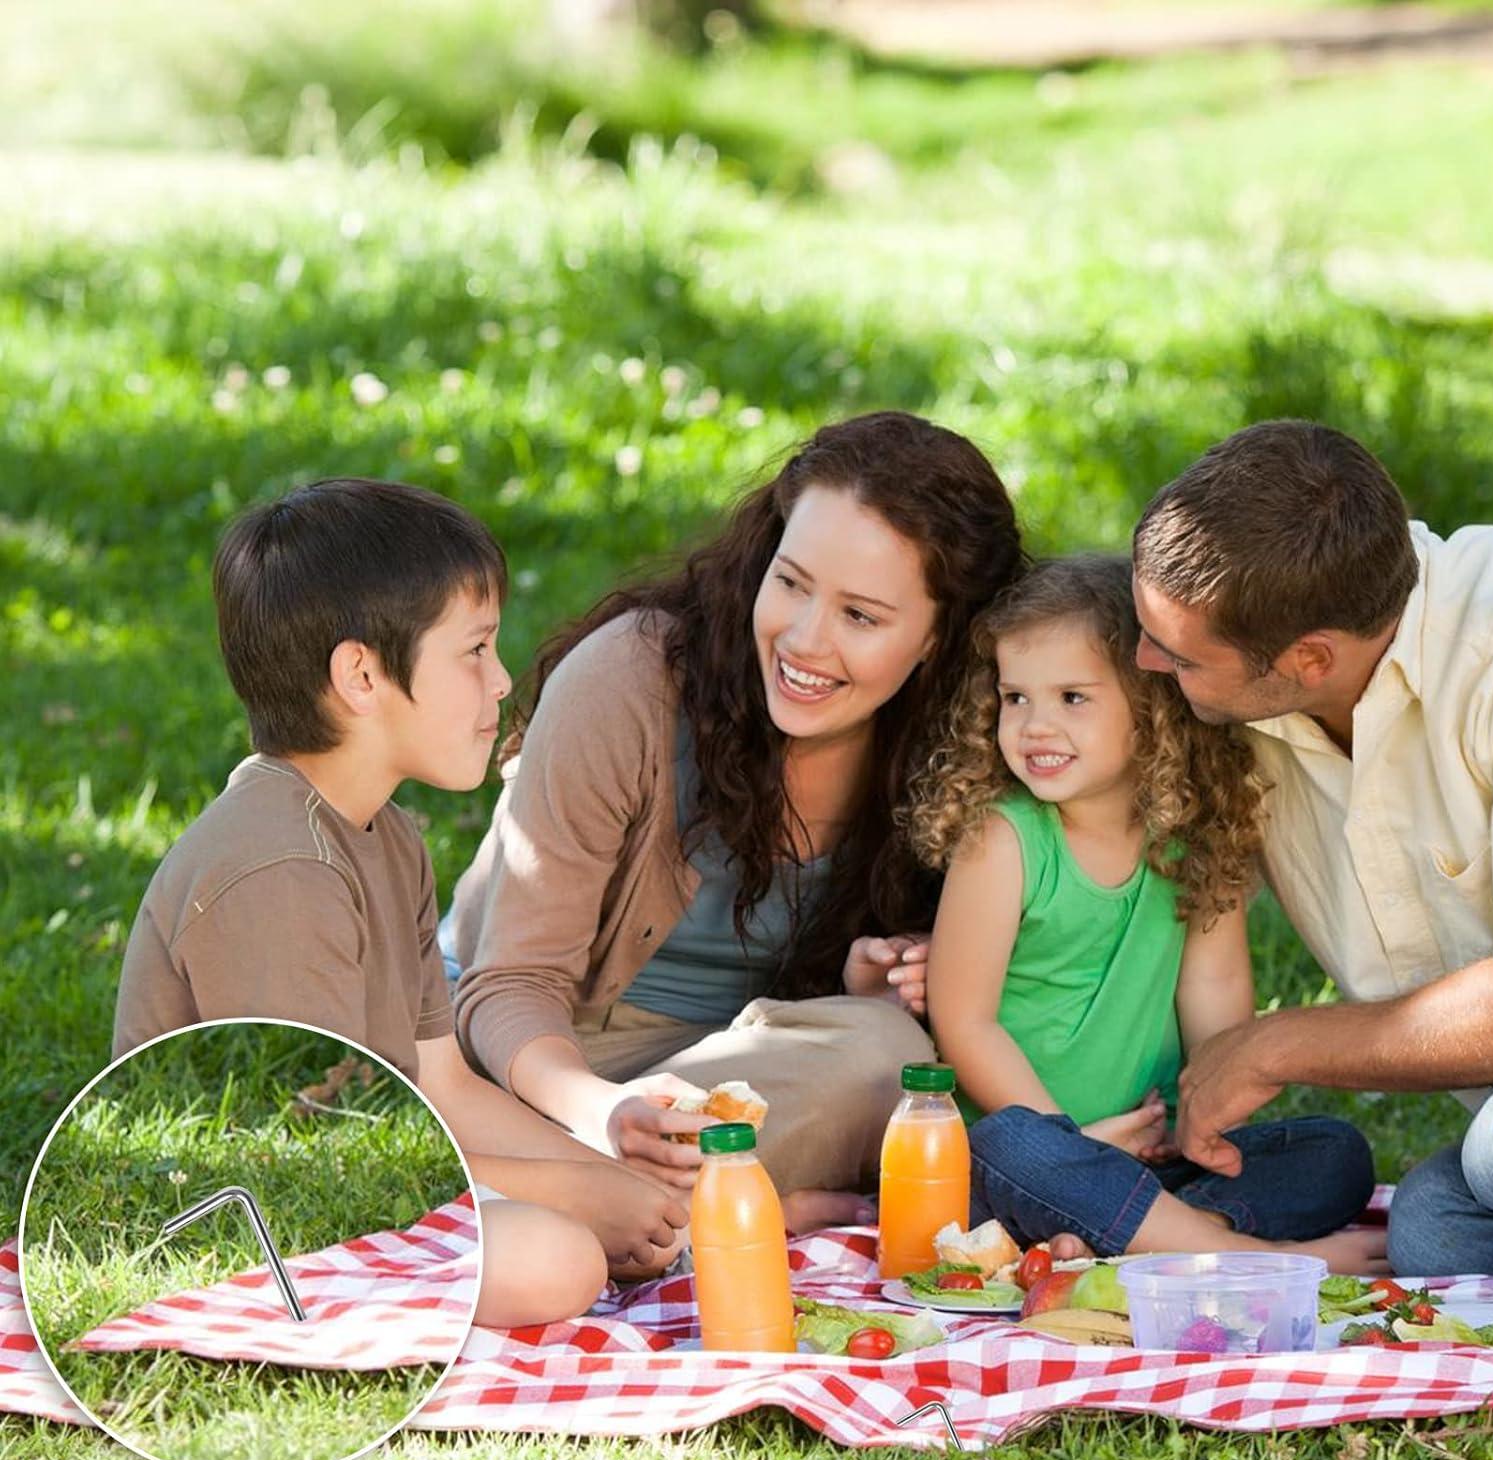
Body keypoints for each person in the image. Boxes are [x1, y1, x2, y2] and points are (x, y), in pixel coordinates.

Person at [113, 478, 689, 1322]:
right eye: (474, 650)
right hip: (236, 1215)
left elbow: (441, 1085)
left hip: (353, 1175)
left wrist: (606, 1179)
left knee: (607, 1220)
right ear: (362, 675)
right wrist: (579, 1197)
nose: (502, 681)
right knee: (557, 1257)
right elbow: (302, 1152)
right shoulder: (281, 872)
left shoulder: (387, 838)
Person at [446, 411, 1027, 1230]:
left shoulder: (971, 744)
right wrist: (600, 1110)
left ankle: (603, 1201)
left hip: (753, 1070)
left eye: (861, 616)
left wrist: (877, 983)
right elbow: (510, 983)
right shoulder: (629, 682)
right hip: (557, 1053)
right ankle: (703, 1204)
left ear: (941, 636)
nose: (804, 640)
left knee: (888, 1055)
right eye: (791, 583)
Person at [912, 555, 1383, 1272]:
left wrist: (1208, 1122)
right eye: (1015, 697)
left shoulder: (1196, 838)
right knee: (1010, 1146)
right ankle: (1251, 1256)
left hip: (1153, 1155)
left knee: (1334, 1153)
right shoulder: (1003, 839)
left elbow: (1214, 991)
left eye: (1072, 697)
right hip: (1029, 1162)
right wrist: (1071, 1140)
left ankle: (1156, 1234)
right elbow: (964, 1023)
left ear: (1151, 707)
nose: (1035, 725)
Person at [1131, 419, 1493, 1274]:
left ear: (1310, 658)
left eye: (1179, 656)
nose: (1142, 660)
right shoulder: (1253, 685)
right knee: (1434, 1230)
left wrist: (1276, 1045)